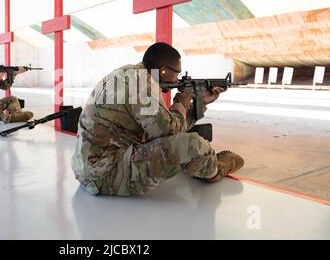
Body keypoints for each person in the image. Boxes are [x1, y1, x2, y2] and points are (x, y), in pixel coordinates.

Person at [72, 42, 244, 196]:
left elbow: (160, 124)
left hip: (92, 168)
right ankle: (215, 171)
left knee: (180, 139)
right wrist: (181, 103)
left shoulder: (129, 74)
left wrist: (200, 103)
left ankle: (203, 163)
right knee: (194, 144)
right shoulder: (142, 84)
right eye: (176, 73)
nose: (177, 79)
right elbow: (168, 133)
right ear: (163, 70)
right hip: (107, 175)